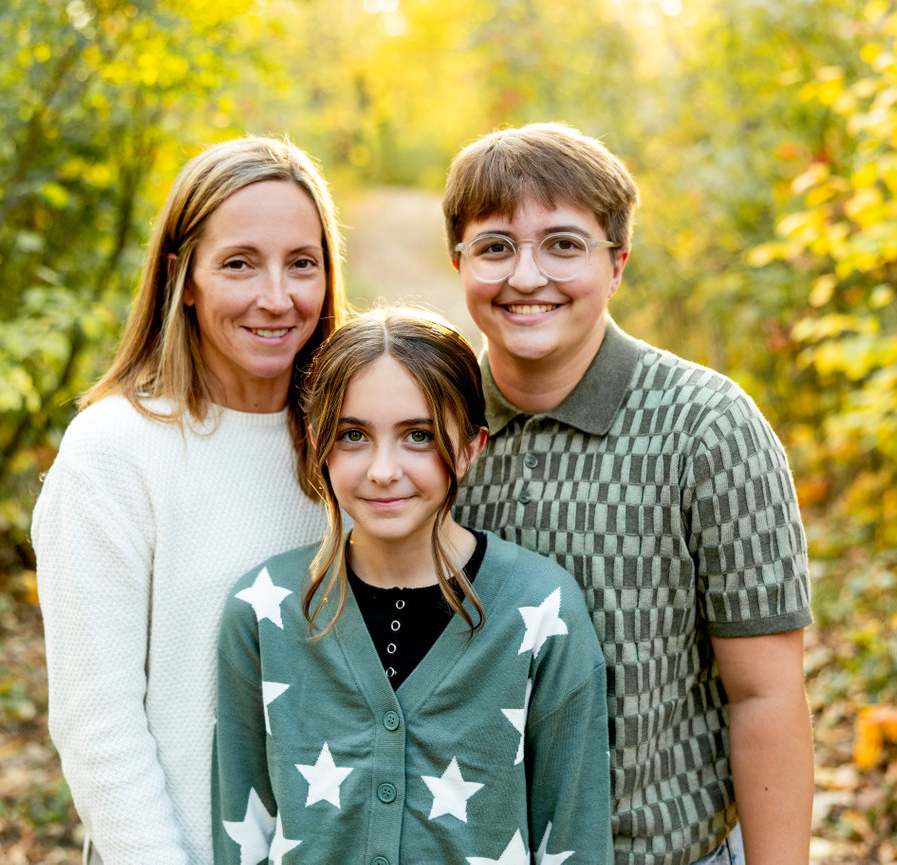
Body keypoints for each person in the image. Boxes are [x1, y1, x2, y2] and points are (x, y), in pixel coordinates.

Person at [443, 123, 814, 865]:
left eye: (564, 244)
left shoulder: (707, 427)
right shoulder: (429, 425)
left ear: (616, 265)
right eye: (495, 246)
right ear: (459, 263)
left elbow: (766, 696)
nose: (525, 276)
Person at [31, 136, 346, 865]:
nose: (278, 296)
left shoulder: (355, 440)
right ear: (185, 278)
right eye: (240, 262)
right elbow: (97, 723)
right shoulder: (115, 450)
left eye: (303, 262)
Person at [211, 308, 613, 865]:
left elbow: (575, 838)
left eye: (418, 436)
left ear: (471, 447)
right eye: (353, 435)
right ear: (317, 444)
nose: (382, 469)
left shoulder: (542, 610)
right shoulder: (262, 609)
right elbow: (241, 832)